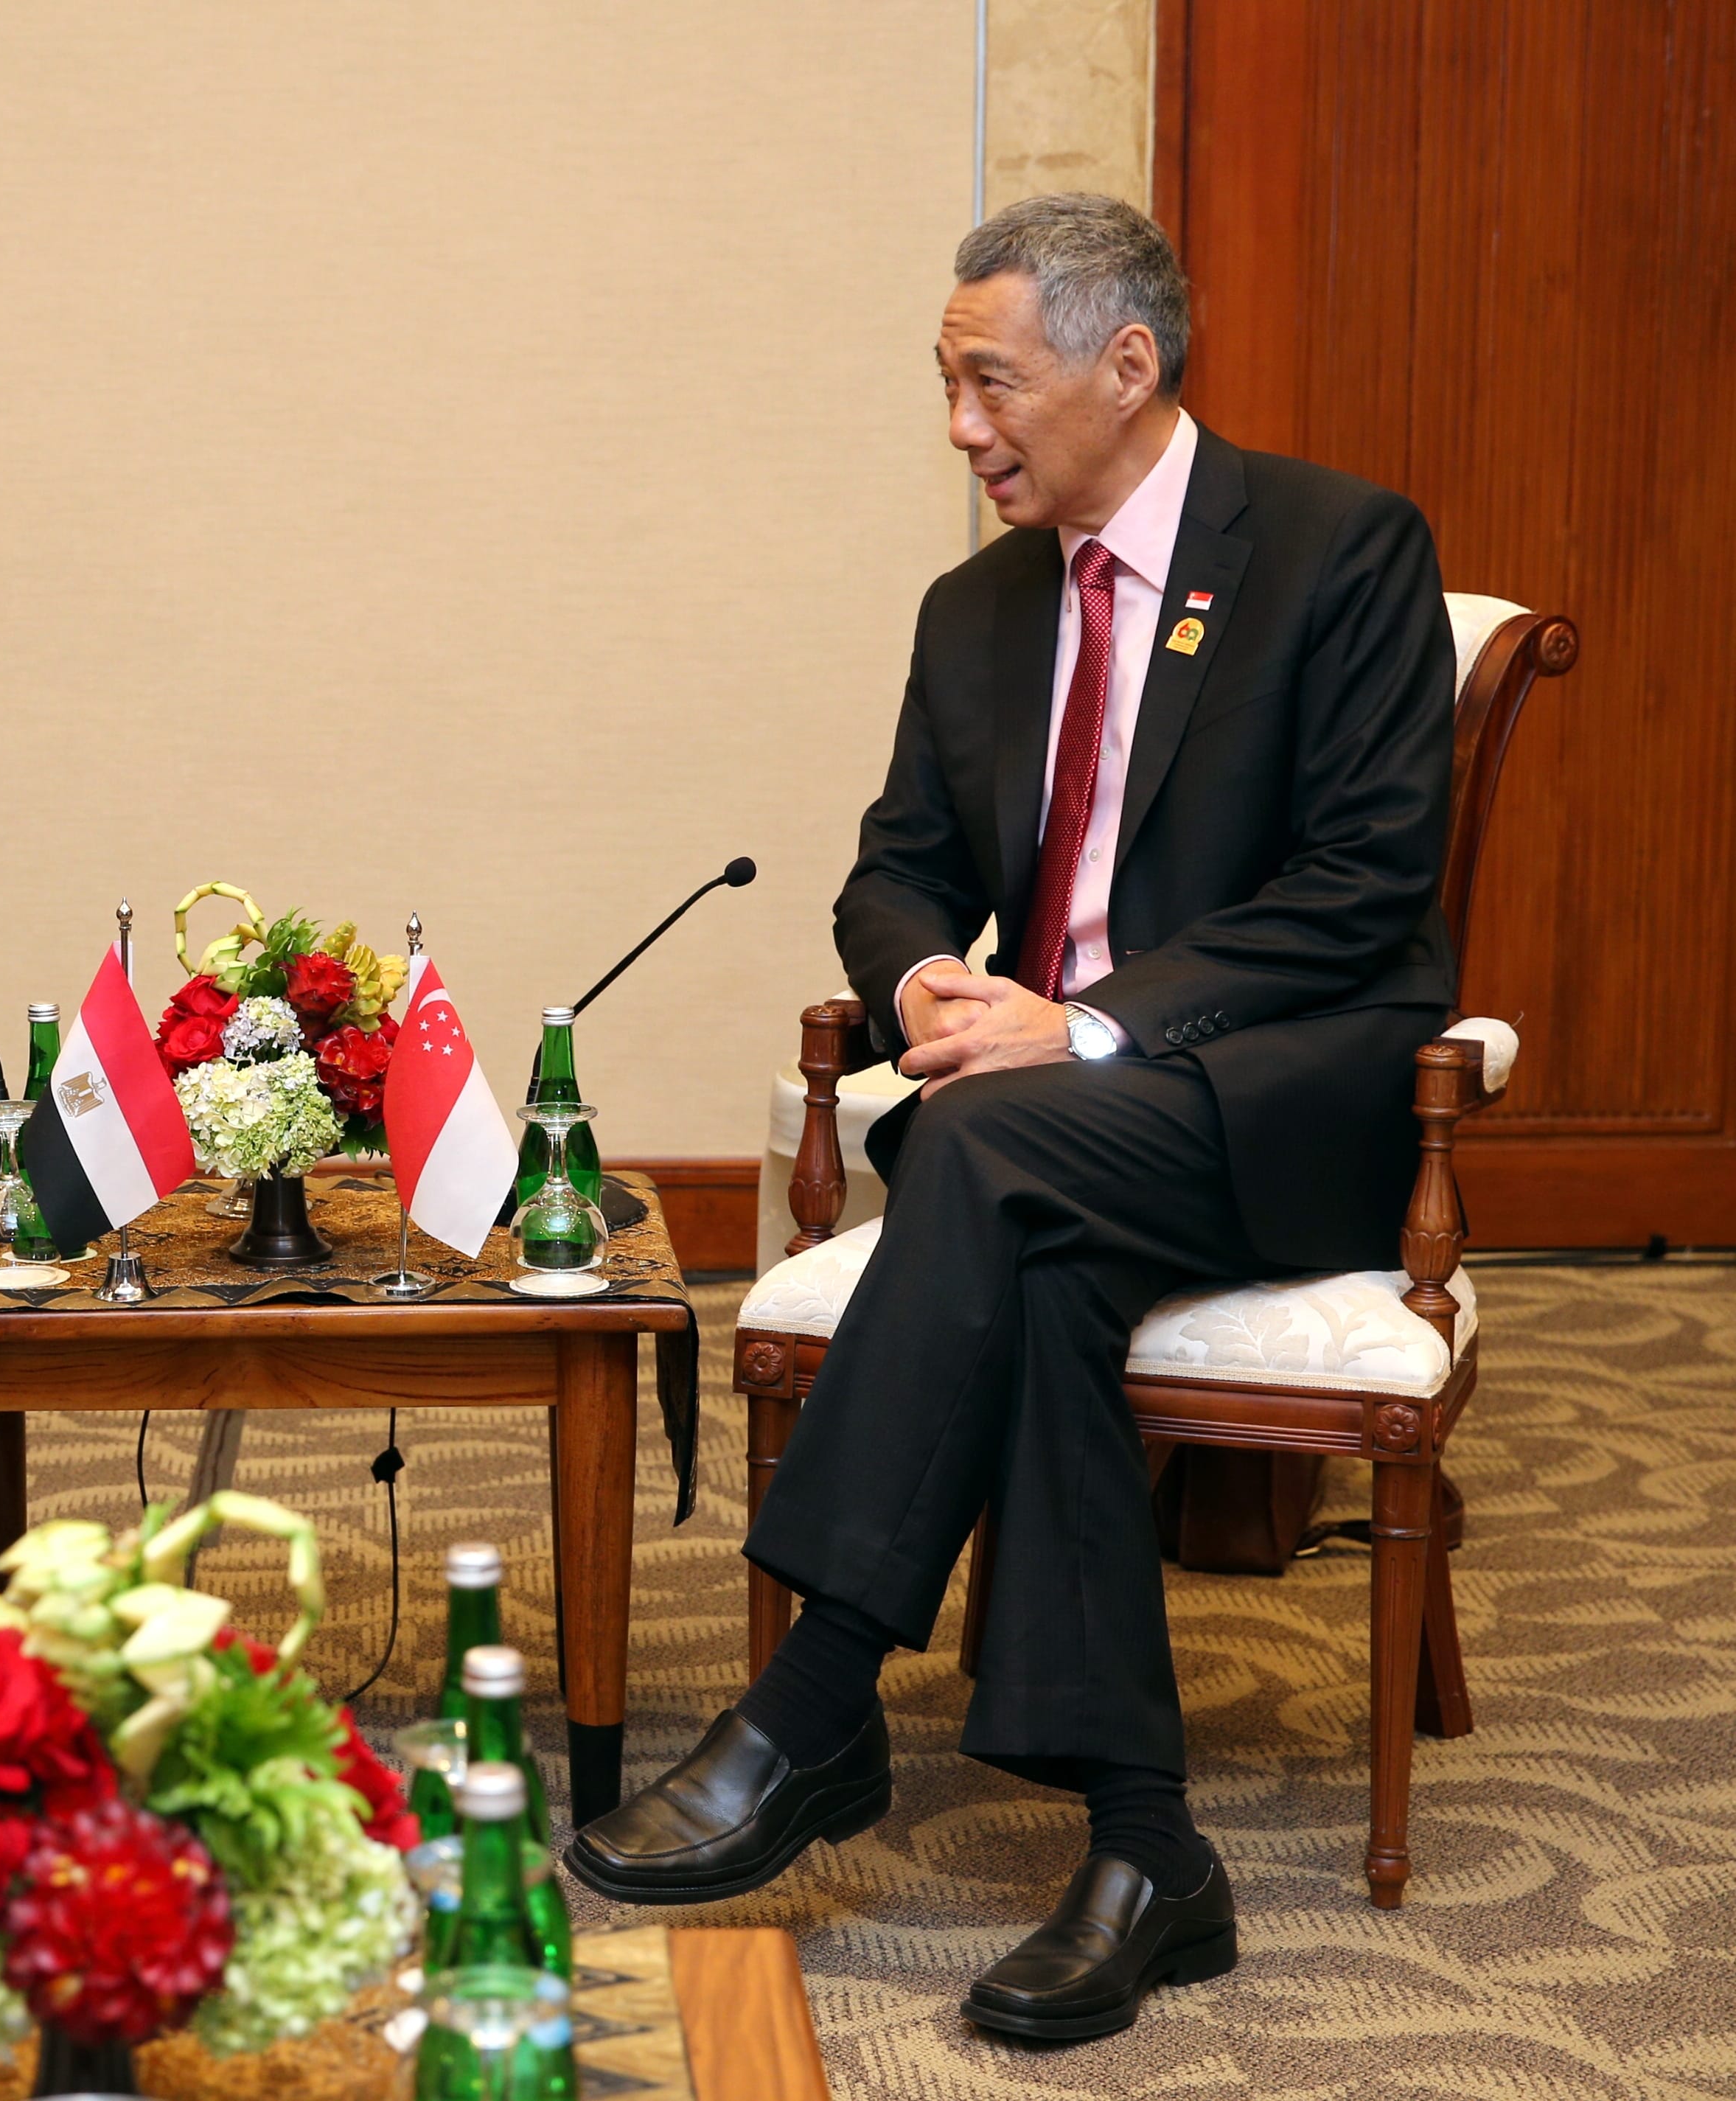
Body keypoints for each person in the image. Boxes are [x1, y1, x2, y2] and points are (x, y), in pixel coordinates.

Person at [566, 195, 1453, 2039]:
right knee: (1021, 1242)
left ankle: (814, 1707)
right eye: (945, 385)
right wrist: (922, 989)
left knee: (976, 1151)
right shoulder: (974, 609)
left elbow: (1365, 889)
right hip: (1048, 1154)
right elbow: (892, 873)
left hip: (1269, 1108)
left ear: (1127, 367)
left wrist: (1090, 1024)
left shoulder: (1334, 547)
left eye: (990, 383)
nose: (961, 427)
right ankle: (1146, 1851)